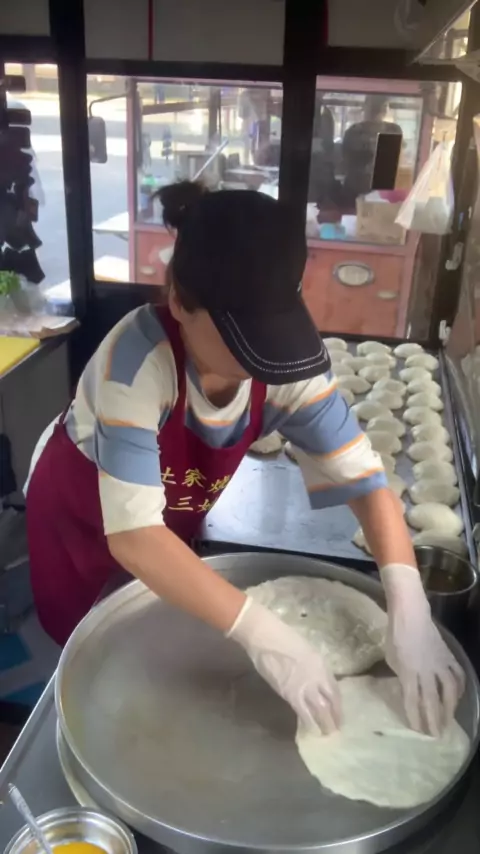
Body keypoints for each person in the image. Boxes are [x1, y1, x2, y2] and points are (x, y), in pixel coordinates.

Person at [26, 182, 464, 737]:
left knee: (163, 660)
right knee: (95, 671)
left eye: (272, 330)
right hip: (83, 527)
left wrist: (409, 607)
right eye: (242, 337)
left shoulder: (283, 361)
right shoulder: (136, 363)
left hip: (162, 522)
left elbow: (366, 483)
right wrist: (265, 634)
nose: (261, 359)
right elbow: (134, 538)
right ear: (179, 301)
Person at [342, 94, 403, 205]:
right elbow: (346, 161)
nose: (376, 112)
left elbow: (395, 161)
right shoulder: (354, 131)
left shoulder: (393, 130)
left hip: (383, 190)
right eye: (373, 107)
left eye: (381, 107)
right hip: (356, 189)